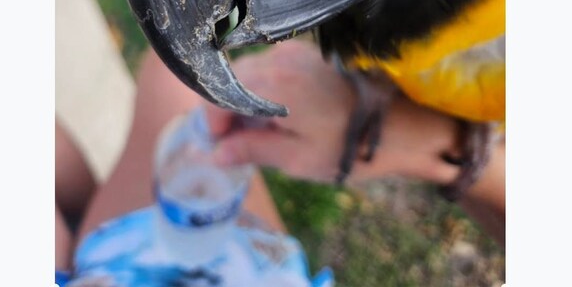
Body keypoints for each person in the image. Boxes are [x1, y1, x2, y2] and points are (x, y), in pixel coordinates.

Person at [56, 39, 504, 284]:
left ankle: (86, 234)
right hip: (244, 269)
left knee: (178, 66)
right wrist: (442, 147)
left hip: (126, 267)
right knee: (182, 71)